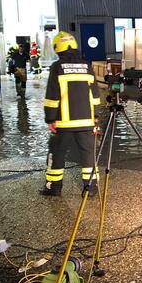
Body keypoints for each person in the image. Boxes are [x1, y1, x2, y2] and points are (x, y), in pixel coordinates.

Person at [41, 31, 101, 196]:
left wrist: (50, 118)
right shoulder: (87, 66)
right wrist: (96, 117)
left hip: (64, 123)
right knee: (88, 155)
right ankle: (91, 189)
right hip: (87, 122)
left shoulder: (57, 67)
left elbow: (52, 96)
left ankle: (54, 188)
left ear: (57, 48)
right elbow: (95, 95)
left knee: (57, 153)